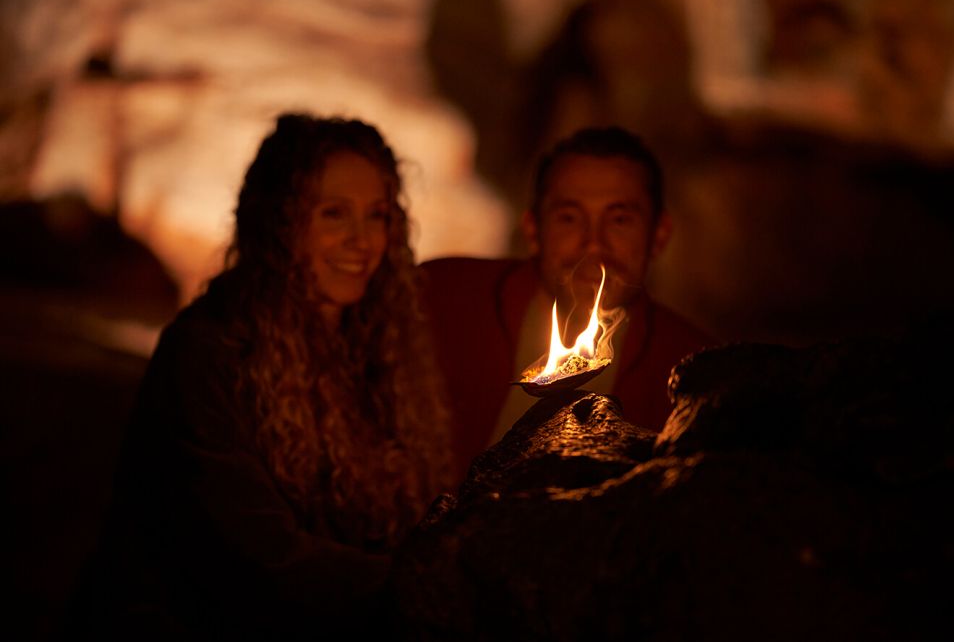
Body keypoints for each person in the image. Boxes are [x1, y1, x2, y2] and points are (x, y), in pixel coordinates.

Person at [78, 114, 452, 638]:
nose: (361, 241)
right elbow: (257, 556)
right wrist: (432, 581)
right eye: (333, 214)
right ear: (279, 223)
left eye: (378, 216)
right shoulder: (211, 351)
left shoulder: (381, 349)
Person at [421, 126, 717, 483]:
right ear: (533, 230)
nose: (594, 245)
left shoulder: (695, 373)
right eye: (569, 218)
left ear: (659, 235)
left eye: (619, 219)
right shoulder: (440, 298)